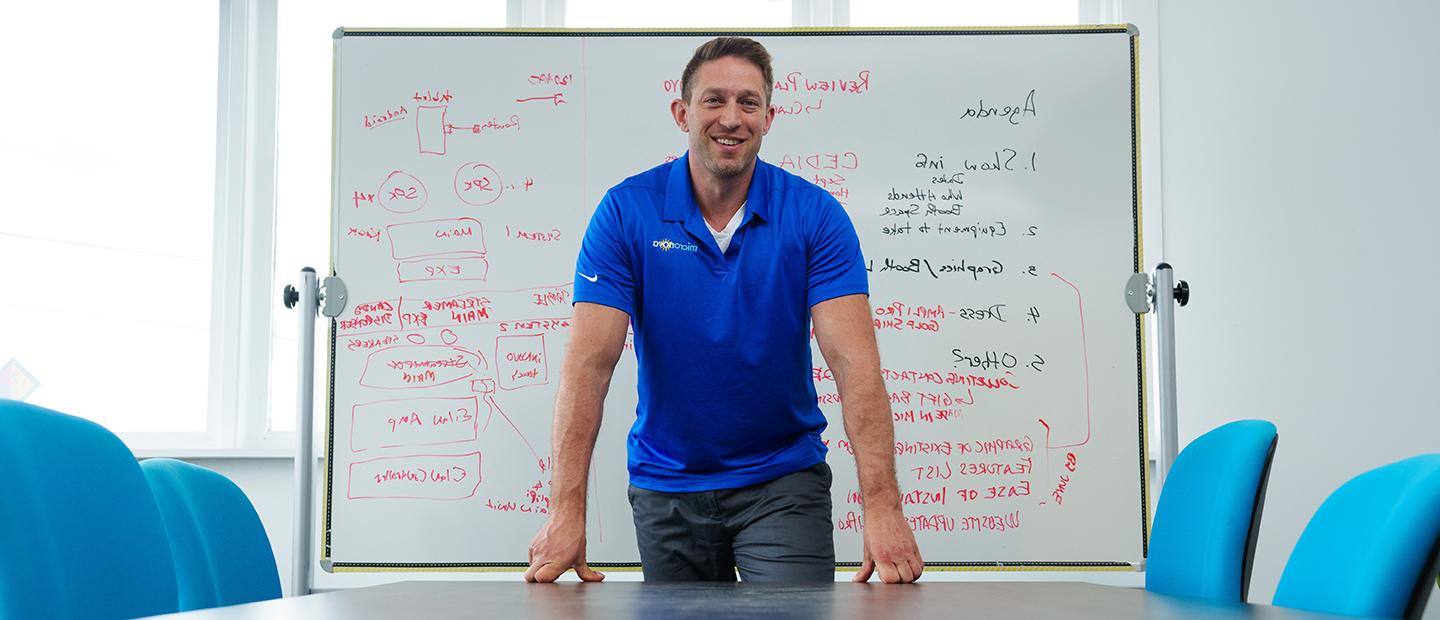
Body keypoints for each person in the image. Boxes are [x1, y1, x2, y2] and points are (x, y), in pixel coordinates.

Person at [524, 36, 923, 584]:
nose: (731, 118)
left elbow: (855, 366)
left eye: (748, 102)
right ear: (682, 112)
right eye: (714, 100)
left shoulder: (815, 216)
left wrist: (883, 507)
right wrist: (565, 510)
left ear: (769, 117)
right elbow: (588, 366)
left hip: (783, 482)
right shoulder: (625, 213)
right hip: (667, 486)